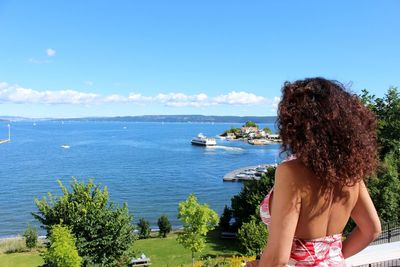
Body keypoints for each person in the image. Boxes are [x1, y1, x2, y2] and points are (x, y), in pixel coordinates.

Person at [246, 78, 381, 267]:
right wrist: (327, 258)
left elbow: (278, 258)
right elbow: (371, 230)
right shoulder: (350, 173)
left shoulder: (291, 172)